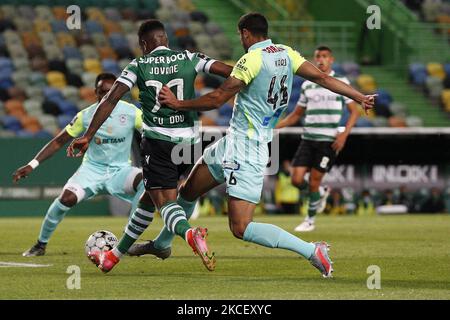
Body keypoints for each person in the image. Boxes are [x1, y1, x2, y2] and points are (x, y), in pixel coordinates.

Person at [157, 13, 375, 277]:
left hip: (248, 148)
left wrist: (178, 104)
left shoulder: (251, 59)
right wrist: (359, 96)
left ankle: (311, 250)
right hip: (232, 141)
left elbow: (217, 99)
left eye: (240, 35)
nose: (240, 39)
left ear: (246, 33)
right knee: (189, 190)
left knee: (241, 228)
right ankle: (162, 244)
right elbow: (323, 79)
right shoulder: (286, 53)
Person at [67, 20, 233, 272]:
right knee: (148, 195)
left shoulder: (138, 65)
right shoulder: (189, 57)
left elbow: (111, 99)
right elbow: (232, 73)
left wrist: (88, 134)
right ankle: (114, 256)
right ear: (164, 38)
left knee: (164, 202)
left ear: (144, 44)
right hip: (189, 143)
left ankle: (190, 235)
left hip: (159, 143)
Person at [13, 73, 145, 256]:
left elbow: (151, 132)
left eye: (110, 92)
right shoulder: (86, 116)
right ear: (95, 92)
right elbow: (59, 141)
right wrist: (32, 164)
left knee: (146, 182)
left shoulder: (131, 112)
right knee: (65, 199)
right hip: (92, 170)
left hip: (120, 171)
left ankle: (128, 240)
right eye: (102, 92)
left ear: (118, 92)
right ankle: (40, 244)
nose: (106, 96)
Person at [276, 46, 362, 232]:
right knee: (296, 180)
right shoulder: (308, 84)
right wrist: (272, 127)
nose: (321, 60)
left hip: (328, 141)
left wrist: (344, 135)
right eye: (317, 57)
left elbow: (355, 111)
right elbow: (295, 115)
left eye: (324, 56)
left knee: (314, 181)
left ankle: (309, 220)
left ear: (331, 59)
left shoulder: (340, 81)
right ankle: (320, 193)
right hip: (308, 139)